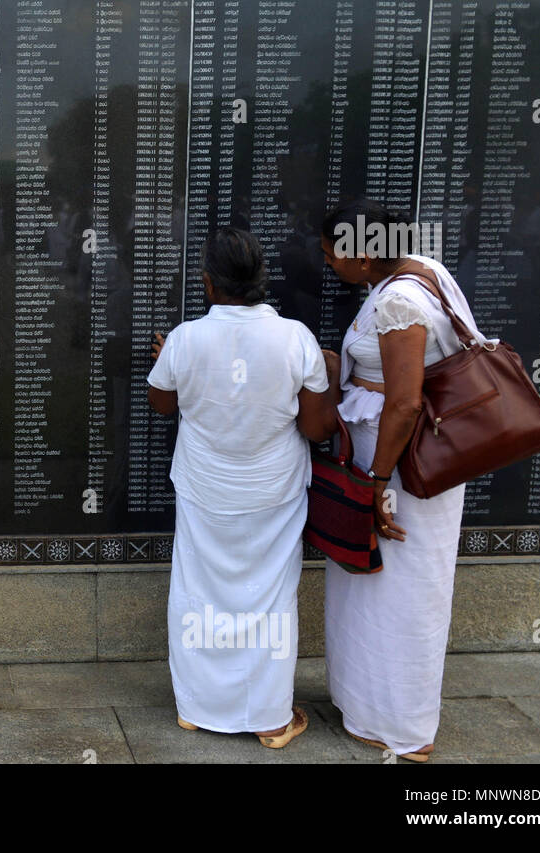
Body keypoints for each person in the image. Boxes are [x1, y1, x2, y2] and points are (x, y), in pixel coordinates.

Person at [148, 227, 338, 748]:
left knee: (197, 593)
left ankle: (197, 708)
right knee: (269, 600)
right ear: (262, 280)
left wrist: (176, 362)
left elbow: (162, 403)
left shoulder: (186, 339)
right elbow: (318, 428)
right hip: (272, 492)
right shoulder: (296, 338)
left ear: (209, 285)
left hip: (205, 490)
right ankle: (270, 719)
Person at [319, 199, 488, 762]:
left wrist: (375, 483)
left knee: (403, 590)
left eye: (331, 255)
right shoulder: (422, 268)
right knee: (373, 587)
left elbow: (405, 402)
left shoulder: (398, 301)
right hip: (398, 459)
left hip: (404, 465)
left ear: (364, 256)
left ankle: (403, 727)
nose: (327, 264)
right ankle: (366, 705)